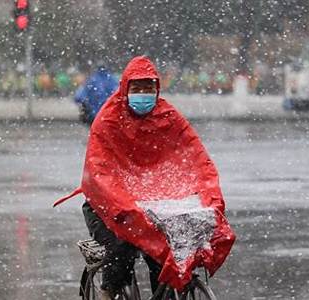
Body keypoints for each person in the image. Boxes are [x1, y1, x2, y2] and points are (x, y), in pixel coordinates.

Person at [54, 56, 235, 299]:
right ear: (125, 88)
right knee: (123, 247)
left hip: (154, 205)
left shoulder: (169, 117)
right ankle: (108, 292)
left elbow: (195, 157)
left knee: (166, 256)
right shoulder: (108, 120)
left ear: (157, 89)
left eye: (149, 87)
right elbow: (100, 173)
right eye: (137, 88)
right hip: (108, 206)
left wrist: (208, 196)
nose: (143, 94)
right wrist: (125, 206)